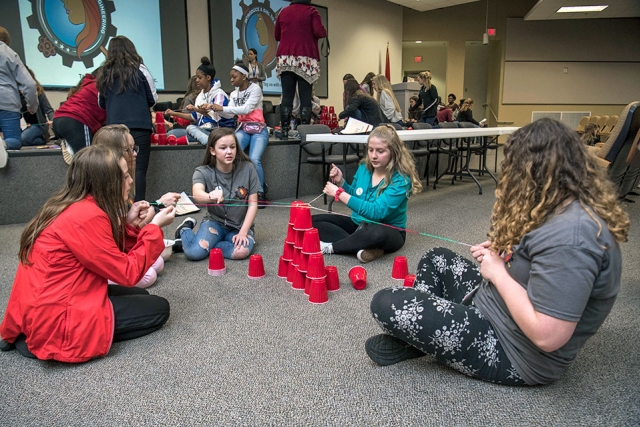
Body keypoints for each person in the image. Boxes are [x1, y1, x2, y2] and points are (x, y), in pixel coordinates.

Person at [366, 118, 629, 386]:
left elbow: (548, 337)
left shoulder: (574, 239)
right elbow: (540, 260)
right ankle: (425, 337)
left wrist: (499, 273)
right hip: (493, 306)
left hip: (513, 350)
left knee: (386, 302)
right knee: (436, 257)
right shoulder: (560, 205)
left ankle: (419, 338)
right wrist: (510, 252)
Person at [0, 145, 176, 362]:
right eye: (125, 175)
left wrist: (128, 224)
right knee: (160, 309)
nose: (130, 180)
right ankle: (64, 339)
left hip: (47, 301)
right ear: (107, 183)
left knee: (142, 296)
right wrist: (155, 228)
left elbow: (99, 252)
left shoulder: (71, 205)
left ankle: (35, 332)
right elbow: (127, 272)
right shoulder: (88, 216)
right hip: (57, 317)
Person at [312, 125, 422, 263]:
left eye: (380, 151)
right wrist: (342, 183)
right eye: (370, 150)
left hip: (387, 230)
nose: (373, 156)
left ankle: (333, 247)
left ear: (393, 152)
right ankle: (361, 246)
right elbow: (357, 196)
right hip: (359, 224)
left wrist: (339, 194)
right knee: (313, 221)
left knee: (377, 233)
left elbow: (376, 212)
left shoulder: (401, 179)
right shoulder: (364, 167)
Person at [92, 124, 181, 288]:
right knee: (149, 275)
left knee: (158, 262)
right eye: (129, 150)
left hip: (113, 249)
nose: (134, 154)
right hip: (101, 262)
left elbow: (118, 229)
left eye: (134, 148)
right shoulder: (99, 198)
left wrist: (132, 219)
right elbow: (109, 242)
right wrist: (155, 223)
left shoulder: (118, 186)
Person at [174, 128, 260, 261]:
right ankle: (184, 229)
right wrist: (209, 196)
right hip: (215, 223)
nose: (229, 152)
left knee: (241, 252)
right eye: (223, 148)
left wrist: (243, 232)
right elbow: (197, 194)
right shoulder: (202, 171)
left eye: (232, 147)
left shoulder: (248, 168)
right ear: (212, 151)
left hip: (240, 226)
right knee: (194, 253)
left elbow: (253, 204)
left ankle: (211, 244)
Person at [96, 35, 158, 202]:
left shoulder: (104, 74)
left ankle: (117, 206)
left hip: (115, 130)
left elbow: (101, 102)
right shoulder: (140, 69)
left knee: (115, 168)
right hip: (140, 126)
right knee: (139, 169)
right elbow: (153, 97)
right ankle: (140, 208)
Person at [206, 62, 269, 206]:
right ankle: (234, 190)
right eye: (231, 77)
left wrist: (222, 107)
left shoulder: (255, 89)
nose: (231, 80)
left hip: (259, 129)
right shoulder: (234, 94)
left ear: (244, 76)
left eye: (234, 77)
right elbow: (229, 114)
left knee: (254, 159)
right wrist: (215, 109)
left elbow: (246, 109)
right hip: (243, 128)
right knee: (231, 155)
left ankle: (260, 192)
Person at [275, 0, 327, 137]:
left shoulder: (283, 11)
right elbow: (319, 31)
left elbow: (276, 35)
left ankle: (285, 130)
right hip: (305, 57)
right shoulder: (312, 11)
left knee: (287, 95)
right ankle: (304, 131)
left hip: (285, 57)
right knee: (305, 96)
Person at [165, 57, 233, 145]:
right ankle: (208, 141)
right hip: (202, 130)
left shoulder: (219, 94)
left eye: (199, 78)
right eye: (196, 77)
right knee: (171, 134)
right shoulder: (201, 95)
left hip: (218, 130)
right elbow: (195, 117)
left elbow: (216, 116)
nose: (196, 80)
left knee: (190, 128)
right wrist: (173, 113)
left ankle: (210, 142)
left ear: (208, 77)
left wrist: (196, 109)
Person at [0, 26, 38, 167]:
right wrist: (31, 106)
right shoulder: (9, 53)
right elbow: (29, 84)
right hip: (7, 103)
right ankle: (3, 144)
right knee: (14, 141)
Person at [52, 69, 106, 155]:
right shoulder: (100, 87)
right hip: (75, 121)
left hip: (58, 120)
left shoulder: (85, 85)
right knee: (88, 158)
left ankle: (71, 145)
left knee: (83, 157)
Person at [20, 68, 54, 147]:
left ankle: (44, 139)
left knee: (24, 139)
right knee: (17, 140)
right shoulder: (16, 94)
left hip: (38, 125)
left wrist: (53, 120)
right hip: (24, 126)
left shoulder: (38, 92)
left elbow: (48, 110)